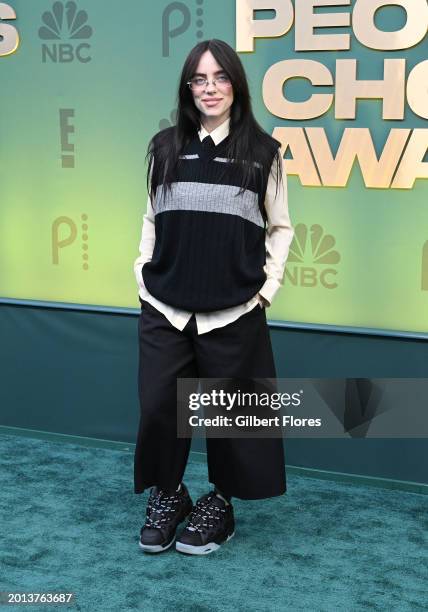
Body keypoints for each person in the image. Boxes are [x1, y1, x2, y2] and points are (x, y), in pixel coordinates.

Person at [133, 39, 294, 556]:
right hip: (166, 304)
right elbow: (152, 217)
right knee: (161, 407)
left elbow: (282, 227)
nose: (210, 88)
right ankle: (169, 492)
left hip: (234, 310)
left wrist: (265, 290)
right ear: (188, 87)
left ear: (236, 86)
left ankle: (220, 504)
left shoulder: (263, 153)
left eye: (220, 78)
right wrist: (142, 274)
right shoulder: (162, 147)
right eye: (199, 79)